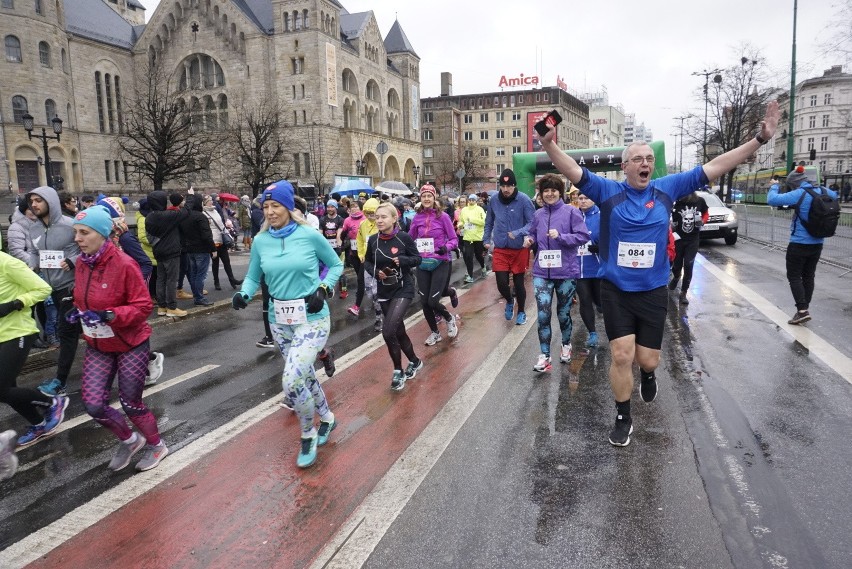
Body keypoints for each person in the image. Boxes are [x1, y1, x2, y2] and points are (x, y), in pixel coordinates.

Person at [541, 100, 780, 447]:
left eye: (649, 159)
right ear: (624, 167)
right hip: (616, 289)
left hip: (653, 290)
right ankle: (623, 417)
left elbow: (714, 165)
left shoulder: (667, 190)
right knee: (622, 354)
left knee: (646, 358)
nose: (645, 163)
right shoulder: (607, 192)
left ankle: (649, 374)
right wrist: (549, 144)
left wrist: (758, 140)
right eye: (638, 159)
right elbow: (573, 171)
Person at [232, 180, 342, 468]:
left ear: (289, 207)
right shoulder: (260, 241)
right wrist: (244, 293)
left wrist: (324, 289)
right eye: (265, 207)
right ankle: (327, 418)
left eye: (275, 206)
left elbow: (336, 264)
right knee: (304, 376)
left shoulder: (309, 235)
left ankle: (307, 434)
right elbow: (254, 276)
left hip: (312, 318)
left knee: (291, 380)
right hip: (279, 320)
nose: (269, 212)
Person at [70, 206, 168, 471]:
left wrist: (110, 315)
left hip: (130, 344)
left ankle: (157, 445)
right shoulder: (81, 262)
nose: (77, 238)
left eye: (84, 233)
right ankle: (129, 440)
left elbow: (143, 307)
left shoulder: (125, 264)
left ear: (102, 234)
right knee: (93, 405)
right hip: (98, 345)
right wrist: (76, 311)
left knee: (130, 402)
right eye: (76, 232)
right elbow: (84, 298)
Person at [0, 251, 69, 448]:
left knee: (1, 388)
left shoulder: (7, 263)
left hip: (17, 332)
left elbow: (43, 288)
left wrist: (14, 304)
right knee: (7, 391)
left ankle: (52, 403)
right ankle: (38, 424)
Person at [523, 174, 590, 372]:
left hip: (566, 271)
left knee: (562, 313)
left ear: (560, 192)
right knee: (543, 315)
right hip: (542, 271)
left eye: (553, 190)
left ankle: (566, 345)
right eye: (546, 191)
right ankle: (544, 355)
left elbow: (583, 236)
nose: (550, 194)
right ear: (541, 194)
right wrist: (529, 240)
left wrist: (561, 237)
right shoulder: (538, 214)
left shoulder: (571, 212)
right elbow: (532, 234)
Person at [25, 186, 82, 397]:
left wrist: (73, 260)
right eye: (32, 201)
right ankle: (146, 358)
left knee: (66, 333)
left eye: (39, 200)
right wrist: (32, 266)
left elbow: (90, 247)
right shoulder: (34, 229)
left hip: (73, 288)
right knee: (91, 331)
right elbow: (33, 252)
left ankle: (60, 381)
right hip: (54, 289)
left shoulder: (71, 225)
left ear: (50, 201)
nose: (34, 204)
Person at [767, 166, 838, 325]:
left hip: (799, 243)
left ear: (795, 184)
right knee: (808, 275)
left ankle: (802, 310)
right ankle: (804, 307)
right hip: (818, 243)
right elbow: (836, 197)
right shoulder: (827, 192)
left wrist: (774, 185)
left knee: (794, 276)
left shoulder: (800, 193)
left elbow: (772, 199)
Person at [364, 202, 423, 390]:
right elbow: (367, 263)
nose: (379, 220)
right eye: (377, 217)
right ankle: (414, 360)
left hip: (403, 288)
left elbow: (417, 258)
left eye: (384, 217)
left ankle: (398, 371)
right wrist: (376, 273)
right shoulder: (373, 240)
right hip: (384, 290)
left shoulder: (404, 238)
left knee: (388, 331)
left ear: (394, 218)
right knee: (398, 331)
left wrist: (403, 260)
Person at [409, 184, 459, 346]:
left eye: (429, 196)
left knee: (432, 301)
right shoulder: (416, 218)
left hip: (440, 261)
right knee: (424, 301)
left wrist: (446, 247)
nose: (426, 199)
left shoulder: (443, 216)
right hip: (423, 263)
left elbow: (454, 239)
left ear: (434, 198)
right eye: (423, 196)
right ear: (420, 198)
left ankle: (449, 318)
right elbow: (410, 239)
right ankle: (435, 333)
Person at [483, 168, 535, 325]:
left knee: (519, 282)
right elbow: (489, 221)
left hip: (518, 248)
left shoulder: (524, 200)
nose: (506, 190)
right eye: (503, 186)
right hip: (500, 247)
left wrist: (519, 232)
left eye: (509, 186)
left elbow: (533, 222)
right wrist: (485, 239)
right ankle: (509, 300)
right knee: (500, 282)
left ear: (514, 186)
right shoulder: (494, 201)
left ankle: (521, 312)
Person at [145, 191, 189, 318]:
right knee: (171, 280)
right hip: (171, 251)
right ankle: (171, 307)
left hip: (158, 251)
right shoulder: (167, 215)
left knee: (161, 279)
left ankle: (162, 307)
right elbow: (186, 212)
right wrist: (190, 196)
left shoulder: (150, 217)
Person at [669, 191, 709, 305]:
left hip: (693, 240)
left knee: (688, 264)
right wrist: (671, 226)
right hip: (679, 239)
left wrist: (703, 221)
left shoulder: (699, 201)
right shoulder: (676, 202)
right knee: (676, 264)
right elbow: (671, 219)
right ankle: (676, 277)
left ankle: (683, 293)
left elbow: (706, 213)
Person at [576, 193, 604, 347]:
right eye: (580, 198)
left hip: (598, 267)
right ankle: (592, 333)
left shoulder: (601, 215)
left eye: (586, 198)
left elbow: (611, 238)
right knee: (584, 299)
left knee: (599, 299)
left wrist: (600, 247)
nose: (583, 201)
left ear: (593, 199)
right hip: (579, 268)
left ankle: (600, 305)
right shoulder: (573, 216)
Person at [179, 194, 216, 306]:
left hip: (189, 249)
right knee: (200, 275)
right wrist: (213, 249)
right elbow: (206, 235)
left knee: (194, 274)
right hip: (202, 249)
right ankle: (199, 297)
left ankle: (197, 296)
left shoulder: (185, 216)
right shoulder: (200, 217)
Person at [203, 194, 242, 290]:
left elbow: (221, 224)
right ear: (205, 203)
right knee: (215, 263)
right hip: (214, 241)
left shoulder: (216, 210)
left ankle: (232, 280)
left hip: (221, 239)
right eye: (209, 201)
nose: (212, 202)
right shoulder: (204, 213)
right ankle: (216, 282)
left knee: (226, 262)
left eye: (212, 200)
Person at [356, 198, 383, 331]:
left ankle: (379, 318)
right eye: (367, 213)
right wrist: (361, 254)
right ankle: (380, 310)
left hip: (381, 263)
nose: (370, 216)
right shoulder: (363, 225)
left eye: (372, 213)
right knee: (370, 292)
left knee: (378, 292)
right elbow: (359, 240)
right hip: (367, 263)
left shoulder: (382, 223)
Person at [341, 200, 367, 316]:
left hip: (365, 254)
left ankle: (356, 306)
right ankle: (365, 288)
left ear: (360, 208)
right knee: (359, 276)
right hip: (353, 253)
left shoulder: (365, 219)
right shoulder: (347, 220)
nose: (354, 209)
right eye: (352, 207)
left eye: (356, 206)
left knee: (361, 279)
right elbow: (343, 234)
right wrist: (343, 234)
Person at [319, 199, 348, 299]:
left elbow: (339, 234)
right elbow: (320, 234)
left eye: (332, 207)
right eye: (328, 207)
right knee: (325, 269)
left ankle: (343, 290)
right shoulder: (322, 219)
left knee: (340, 270)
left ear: (336, 208)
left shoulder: (340, 219)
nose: (330, 209)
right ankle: (329, 288)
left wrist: (339, 246)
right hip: (327, 248)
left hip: (337, 247)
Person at [459, 193, 487, 283]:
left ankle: (483, 267)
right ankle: (470, 276)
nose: (471, 201)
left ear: (476, 201)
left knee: (479, 256)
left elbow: (483, 222)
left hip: (478, 237)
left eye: (473, 200)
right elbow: (461, 220)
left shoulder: (480, 209)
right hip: (467, 237)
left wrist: (473, 220)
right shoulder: (464, 210)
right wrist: (460, 225)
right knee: (468, 256)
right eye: (470, 200)